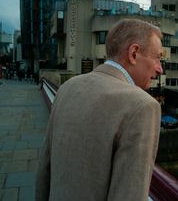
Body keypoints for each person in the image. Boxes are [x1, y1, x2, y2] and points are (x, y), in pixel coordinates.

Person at [35, 19, 164, 201]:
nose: (160, 68)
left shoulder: (68, 87)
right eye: (157, 57)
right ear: (134, 53)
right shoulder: (143, 105)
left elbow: (44, 171)